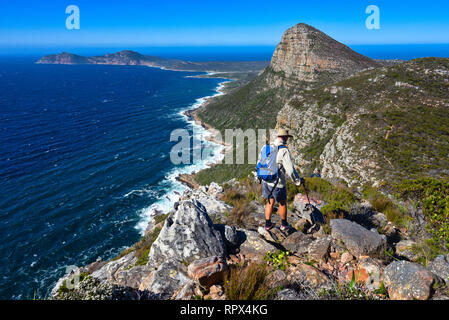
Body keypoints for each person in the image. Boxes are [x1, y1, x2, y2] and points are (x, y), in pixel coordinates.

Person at [262, 128, 304, 231]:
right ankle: (284, 224)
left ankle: (267, 224)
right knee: (282, 203)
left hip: (266, 180)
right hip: (278, 183)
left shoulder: (267, 147)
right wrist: (298, 181)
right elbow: (290, 170)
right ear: (285, 138)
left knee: (270, 201)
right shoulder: (284, 150)